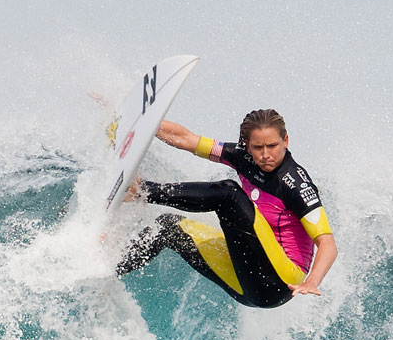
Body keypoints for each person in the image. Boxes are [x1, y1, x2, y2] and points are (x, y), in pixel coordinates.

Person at [116, 109, 337, 308]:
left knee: (229, 195)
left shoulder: (296, 184)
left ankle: (141, 190)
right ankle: (108, 268)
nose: (265, 154)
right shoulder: (243, 158)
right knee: (169, 227)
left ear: (285, 140)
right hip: (246, 287)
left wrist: (312, 281)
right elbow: (187, 140)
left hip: (281, 281)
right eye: (258, 147)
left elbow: (327, 243)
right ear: (247, 146)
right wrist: (141, 124)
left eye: (273, 146)